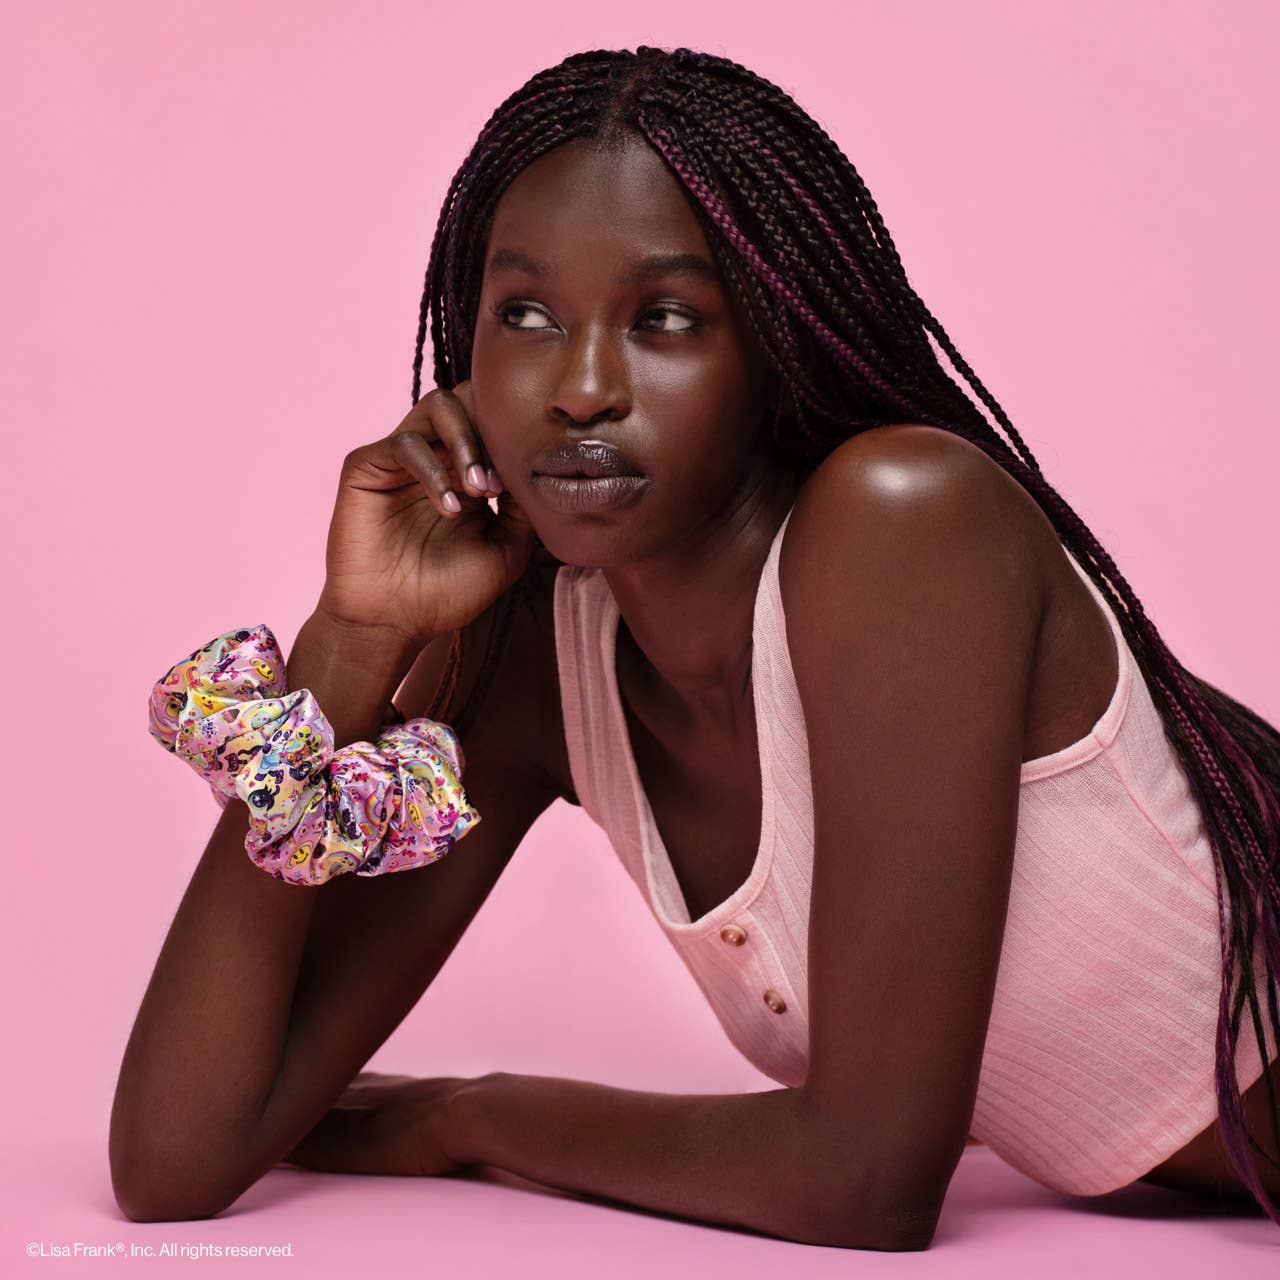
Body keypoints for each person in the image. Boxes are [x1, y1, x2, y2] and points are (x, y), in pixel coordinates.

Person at [110, 45, 1280, 1247]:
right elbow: (174, 1156)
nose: (579, 387)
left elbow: (863, 1180)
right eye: (526, 315)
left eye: (663, 318)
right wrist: (353, 637)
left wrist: (471, 1116)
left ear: (769, 350)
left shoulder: (901, 522)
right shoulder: (545, 664)